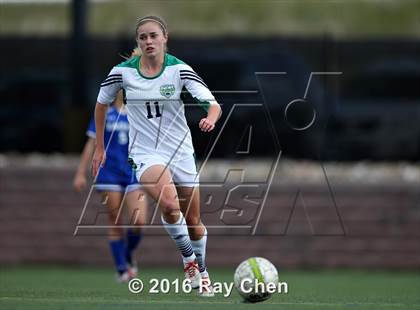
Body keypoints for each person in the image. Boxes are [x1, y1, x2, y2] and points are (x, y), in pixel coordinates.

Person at [91, 15, 222, 296]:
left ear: (165, 38)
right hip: (146, 153)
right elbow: (100, 105)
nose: (148, 41)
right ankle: (189, 261)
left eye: (153, 36)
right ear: (138, 42)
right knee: (169, 203)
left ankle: (202, 268)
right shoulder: (122, 72)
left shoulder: (179, 70)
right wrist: (100, 147)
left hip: (181, 151)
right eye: (143, 37)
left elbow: (213, 104)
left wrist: (210, 117)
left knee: (194, 222)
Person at [74, 89, 147, 283]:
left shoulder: (139, 112)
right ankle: (122, 269)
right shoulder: (104, 111)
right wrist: (81, 173)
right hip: (109, 172)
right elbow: (91, 143)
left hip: (133, 172)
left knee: (139, 221)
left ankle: (127, 253)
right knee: (115, 220)